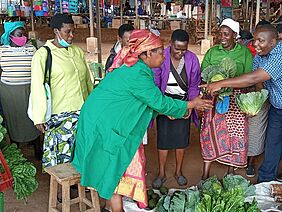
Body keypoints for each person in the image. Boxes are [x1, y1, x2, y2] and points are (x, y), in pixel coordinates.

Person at [71, 30, 213, 211]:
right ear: (146, 54)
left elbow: (148, 102)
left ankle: (110, 205)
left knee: (111, 166)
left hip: (101, 119)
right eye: (160, 52)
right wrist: (191, 104)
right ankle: (115, 207)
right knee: (112, 166)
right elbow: (159, 102)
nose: (164, 55)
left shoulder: (138, 68)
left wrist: (171, 110)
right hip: (102, 123)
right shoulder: (137, 74)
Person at [202, 24, 282, 183]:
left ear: (273, 42)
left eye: (261, 41)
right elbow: (257, 83)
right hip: (277, 106)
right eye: (255, 40)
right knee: (272, 143)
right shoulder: (260, 56)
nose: (256, 45)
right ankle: (266, 181)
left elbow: (254, 78)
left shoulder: (279, 54)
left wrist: (221, 83)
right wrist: (256, 101)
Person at [30, 13, 93, 170]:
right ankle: (60, 192)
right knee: (61, 157)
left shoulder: (77, 52)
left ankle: (78, 184)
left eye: (72, 31)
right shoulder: (43, 54)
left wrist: (92, 104)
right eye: (67, 32)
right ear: (56, 31)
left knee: (80, 153)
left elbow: (87, 81)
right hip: (60, 115)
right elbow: (37, 86)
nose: (71, 35)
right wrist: (39, 117)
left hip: (82, 111)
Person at [200, 18, 253, 180]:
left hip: (236, 99)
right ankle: (206, 172)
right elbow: (203, 76)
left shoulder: (244, 53)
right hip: (214, 98)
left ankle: (231, 170)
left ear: (234, 35)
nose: (222, 37)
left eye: (226, 34)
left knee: (235, 134)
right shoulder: (212, 52)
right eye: (220, 33)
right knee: (208, 132)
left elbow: (249, 76)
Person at [152, 29, 201, 188]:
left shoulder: (192, 59)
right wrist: (164, 109)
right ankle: (161, 173)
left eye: (184, 49)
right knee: (163, 141)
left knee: (181, 141)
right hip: (164, 102)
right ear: (170, 44)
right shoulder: (161, 57)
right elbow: (156, 85)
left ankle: (178, 172)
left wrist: (191, 107)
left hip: (184, 102)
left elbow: (194, 85)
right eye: (177, 49)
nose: (180, 53)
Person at [0, 21, 41, 159]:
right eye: (19, 34)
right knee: (13, 118)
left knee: (31, 117)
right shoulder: (2, 51)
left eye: (23, 34)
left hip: (29, 90)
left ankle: (36, 146)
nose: (23, 37)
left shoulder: (31, 49)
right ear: (10, 35)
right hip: (8, 92)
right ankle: (16, 146)